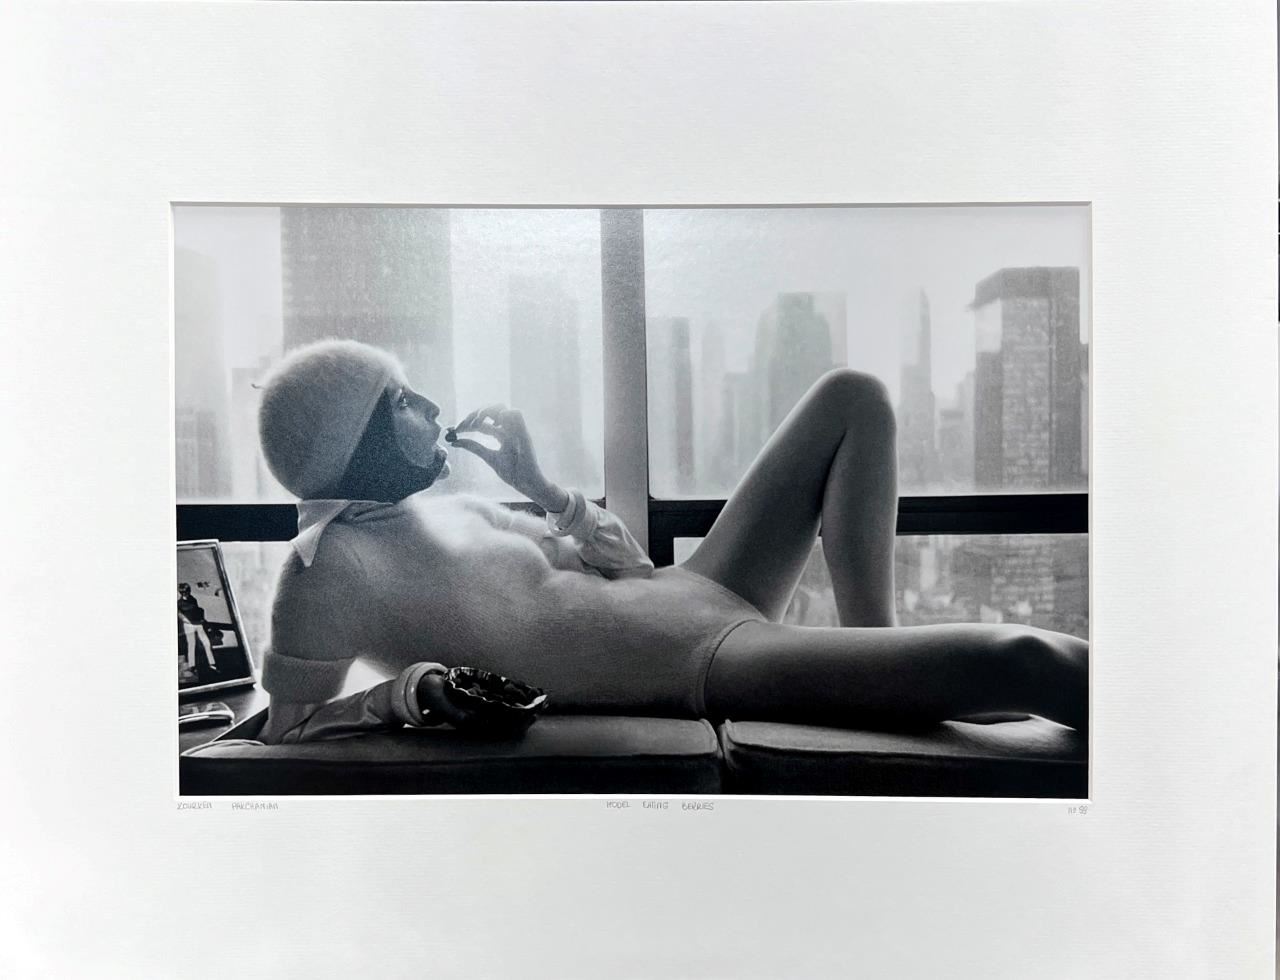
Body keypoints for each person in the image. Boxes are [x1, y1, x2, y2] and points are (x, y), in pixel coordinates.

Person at [254, 339, 1087, 745]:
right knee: (1023, 659)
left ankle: (880, 650)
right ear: (351, 441)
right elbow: (289, 733)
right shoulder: (327, 569)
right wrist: (405, 694)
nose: (432, 407)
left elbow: (634, 569)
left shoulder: (453, 513)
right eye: (401, 401)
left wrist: (544, 489)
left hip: (691, 591)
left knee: (854, 396)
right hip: (703, 660)